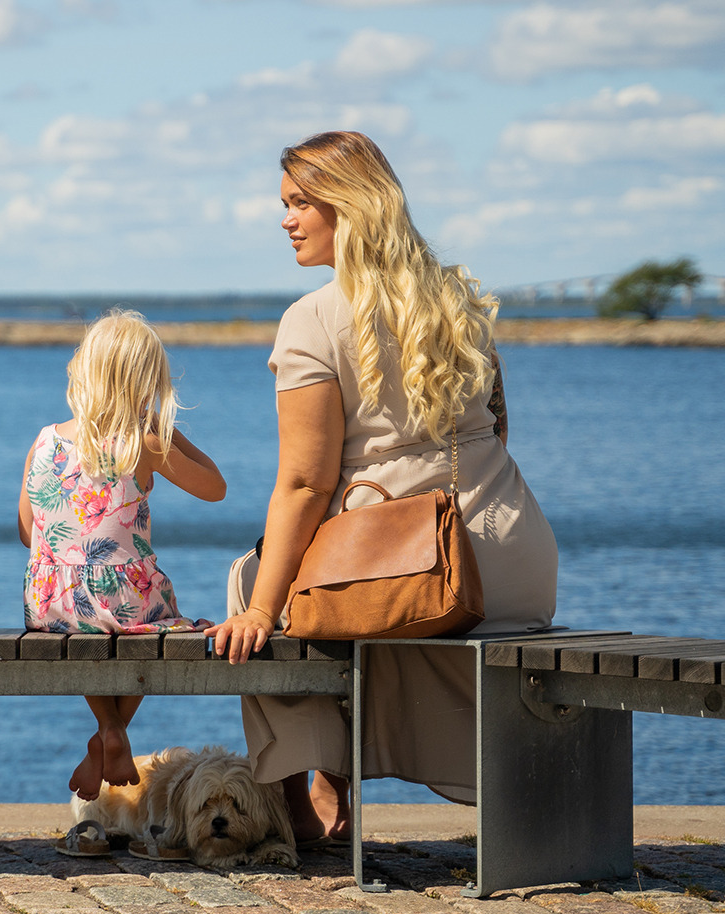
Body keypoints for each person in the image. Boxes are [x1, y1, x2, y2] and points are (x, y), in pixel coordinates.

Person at [208, 131, 558, 845]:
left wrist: (262, 611)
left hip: (422, 572)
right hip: (512, 558)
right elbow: (500, 426)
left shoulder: (312, 317)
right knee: (335, 589)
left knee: (256, 582)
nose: (286, 219)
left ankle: (303, 811)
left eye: (302, 203)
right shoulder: (457, 299)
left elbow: (304, 484)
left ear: (350, 207)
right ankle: (333, 784)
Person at [18, 310, 225, 802]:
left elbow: (28, 530)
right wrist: (159, 431)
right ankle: (109, 732)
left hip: (49, 602)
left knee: (84, 625)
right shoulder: (145, 441)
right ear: (145, 383)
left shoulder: (44, 439)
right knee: (163, 624)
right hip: (124, 602)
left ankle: (106, 729)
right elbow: (215, 487)